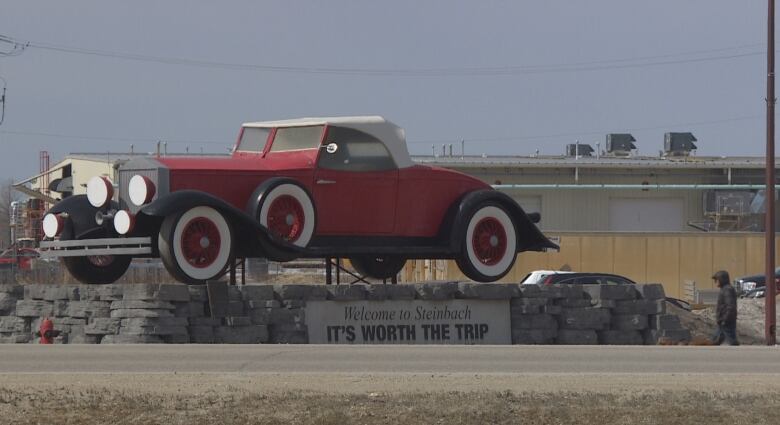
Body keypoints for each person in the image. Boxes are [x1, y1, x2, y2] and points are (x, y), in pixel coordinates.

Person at [711, 270, 739, 346]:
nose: (715, 282)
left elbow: (730, 306)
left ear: (722, 279)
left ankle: (738, 355)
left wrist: (725, 319)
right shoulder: (725, 289)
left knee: (731, 341)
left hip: (726, 322)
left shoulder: (727, 290)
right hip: (723, 321)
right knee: (715, 340)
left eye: (716, 280)